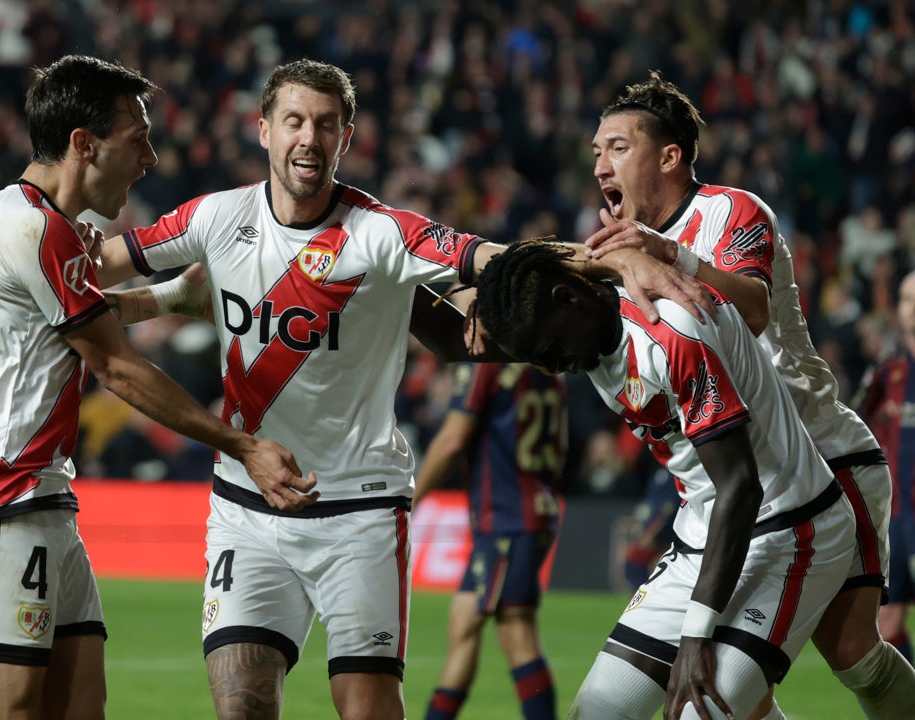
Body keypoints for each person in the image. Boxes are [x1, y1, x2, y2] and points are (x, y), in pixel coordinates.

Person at [95, 58, 709, 720]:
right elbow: (101, 262)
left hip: (358, 511)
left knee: (368, 708)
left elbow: (489, 255)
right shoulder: (215, 218)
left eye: (326, 125)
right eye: (295, 121)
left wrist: (612, 258)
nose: (309, 138)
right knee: (242, 708)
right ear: (264, 130)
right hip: (246, 507)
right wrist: (43, 248)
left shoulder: (380, 231)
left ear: (347, 137)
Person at [0, 55, 309, 720]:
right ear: (83, 144)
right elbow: (117, 366)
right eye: (138, 138)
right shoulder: (32, 228)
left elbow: (85, 318)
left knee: (79, 706)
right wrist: (242, 445)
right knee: (5, 710)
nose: (150, 157)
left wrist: (171, 296)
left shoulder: (48, 225)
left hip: (40, 494)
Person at [582, 71, 915, 720]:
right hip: (736, 482)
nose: (600, 164)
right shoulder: (622, 257)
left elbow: (754, 309)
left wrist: (669, 255)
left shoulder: (732, 211)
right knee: (734, 689)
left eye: (617, 147)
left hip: (824, 459)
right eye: (596, 151)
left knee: (852, 654)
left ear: (670, 156)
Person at [472, 238, 858, 720]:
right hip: (702, 537)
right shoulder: (582, 329)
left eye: (551, 351)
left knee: (701, 711)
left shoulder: (670, 328)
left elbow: (740, 486)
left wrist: (696, 636)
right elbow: (517, 271)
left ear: (569, 298)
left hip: (792, 531)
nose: (555, 367)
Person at [414, 360, 566, 720]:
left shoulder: (485, 365)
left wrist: (411, 499)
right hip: (530, 507)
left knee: (517, 630)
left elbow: (452, 440)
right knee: (464, 622)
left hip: (507, 518)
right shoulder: (546, 362)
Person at [858, 269, 915, 664]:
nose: (914, 307)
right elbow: (854, 425)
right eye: (909, 298)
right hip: (897, 515)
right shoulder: (886, 373)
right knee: (888, 616)